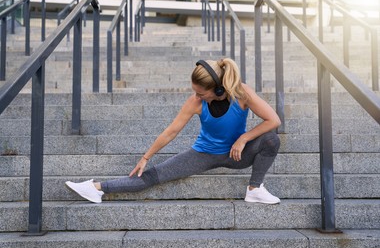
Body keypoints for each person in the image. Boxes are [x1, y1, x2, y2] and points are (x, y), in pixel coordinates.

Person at [65, 58, 281, 204]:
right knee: (151, 176)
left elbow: (273, 120)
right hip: (203, 154)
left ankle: (254, 190)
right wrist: (146, 157)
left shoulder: (242, 94)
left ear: (217, 89)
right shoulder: (196, 103)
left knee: (271, 140)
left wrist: (244, 138)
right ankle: (96, 188)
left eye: (200, 92)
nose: (196, 96)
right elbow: (171, 131)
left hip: (237, 155)